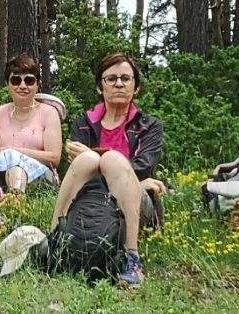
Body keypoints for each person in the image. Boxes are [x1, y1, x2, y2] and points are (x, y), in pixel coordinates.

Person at [53, 51, 165, 288]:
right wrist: (96, 159)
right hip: (91, 198)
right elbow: (77, 169)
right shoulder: (83, 123)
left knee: (108, 159)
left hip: (134, 199)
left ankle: (131, 258)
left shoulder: (150, 126)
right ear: (99, 87)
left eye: (126, 78)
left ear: (136, 88)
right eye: (111, 78)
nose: (119, 84)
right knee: (86, 161)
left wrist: (103, 158)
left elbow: (144, 166)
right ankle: (54, 240)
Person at [0, 54, 63, 203]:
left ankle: (15, 200)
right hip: (0, 175)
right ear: (7, 84)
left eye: (29, 80)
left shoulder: (49, 113)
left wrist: (15, 152)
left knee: (16, 166)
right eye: (16, 80)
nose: (22, 86)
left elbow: (54, 158)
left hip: (39, 175)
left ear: (37, 84)